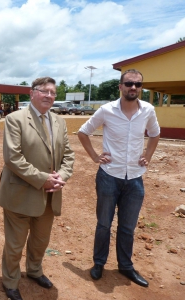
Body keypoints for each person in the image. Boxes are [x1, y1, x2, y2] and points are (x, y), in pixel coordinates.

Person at [78, 69, 160, 288]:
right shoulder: (106, 111)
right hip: (108, 176)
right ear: (120, 87)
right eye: (129, 83)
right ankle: (98, 264)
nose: (133, 87)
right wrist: (95, 156)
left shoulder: (148, 111)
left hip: (134, 178)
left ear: (141, 87)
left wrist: (148, 155)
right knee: (104, 224)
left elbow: (155, 133)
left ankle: (125, 266)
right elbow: (83, 132)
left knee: (127, 227)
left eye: (138, 84)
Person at [0, 77, 75, 300]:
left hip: (49, 195)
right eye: (44, 91)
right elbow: (13, 158)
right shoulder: (15, 119)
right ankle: (10, 281)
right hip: (20, 193)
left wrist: (63, 175)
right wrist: (43, 179)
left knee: (41, 240)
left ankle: (34, 270)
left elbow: (68, 154)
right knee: (15, 244)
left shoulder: (59, 121)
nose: (49, 96)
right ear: (32, 94)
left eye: (53, 92)